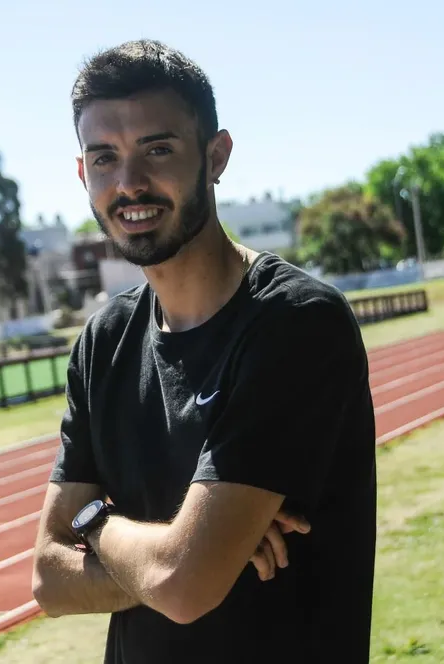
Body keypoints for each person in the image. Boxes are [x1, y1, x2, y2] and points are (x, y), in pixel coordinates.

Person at [31, 39, 377, 663]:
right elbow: (48, 577)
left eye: (157, 149)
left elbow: (184, 587)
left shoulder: (294, 323)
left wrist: (96, 526)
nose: (130, 183)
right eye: (104, 157)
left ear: (216, 156)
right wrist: (182, 554)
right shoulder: (103, 344)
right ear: (84, 175)